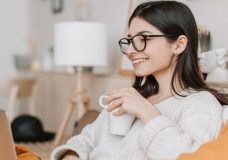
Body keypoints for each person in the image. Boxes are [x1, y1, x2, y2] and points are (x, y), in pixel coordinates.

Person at [50, 1, 228, 160]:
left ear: (179, 44)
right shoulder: (132, 96)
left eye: (144, 38)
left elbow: (192, 156)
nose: (129, 51)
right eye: (129, 40)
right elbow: (86, 139)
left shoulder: (199, 104)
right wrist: (71, 154)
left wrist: (148, 113)